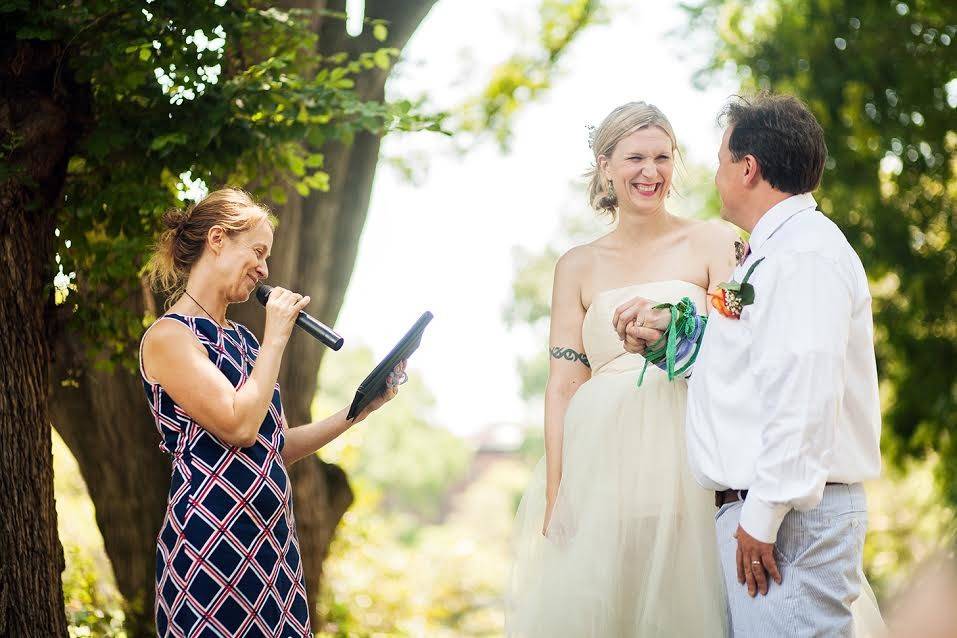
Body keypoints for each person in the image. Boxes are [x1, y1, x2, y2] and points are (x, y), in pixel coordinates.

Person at [616, 93, 885, 637]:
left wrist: (760, 519)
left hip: (786, 523)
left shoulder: (804, 257)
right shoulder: (771, 254)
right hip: (771, 516)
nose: (714, 177)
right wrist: (672, 334)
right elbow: (739, 363)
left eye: (719, 163)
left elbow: (806, 395)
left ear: (748, 168)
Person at [505, 102, 739, 637]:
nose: (650, 172)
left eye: (662, 157)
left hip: (690, 453)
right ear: (605, 165)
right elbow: (564, 385)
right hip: (601, 463)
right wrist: (557, 491)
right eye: (635, 158)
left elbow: (740, 346)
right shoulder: (577, 265)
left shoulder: (712, 241)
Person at [139, 188, 404, 637]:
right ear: (218, 239)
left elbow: (272, 448)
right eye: (258, 252)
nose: (265, 269)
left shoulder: (244, 342)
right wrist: (277, 336)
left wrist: (357, 409)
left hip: (271, 546)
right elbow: (239, 426)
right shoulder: (170, 336)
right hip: (211, 545)